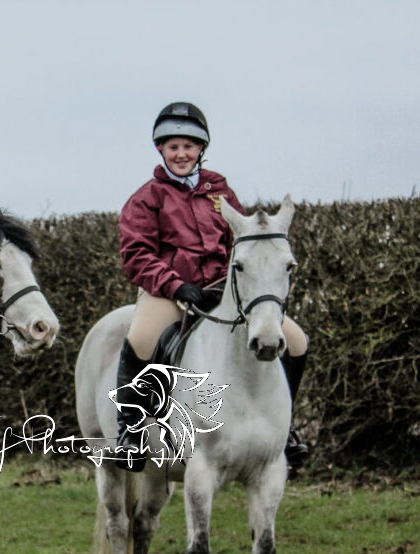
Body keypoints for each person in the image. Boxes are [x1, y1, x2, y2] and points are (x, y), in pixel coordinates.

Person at [114, 102, 310, 472]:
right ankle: (131, 433)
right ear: (161, 149)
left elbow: (241, 240)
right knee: (141, 338)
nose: (181, 154)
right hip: (170, 292)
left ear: (201, 149)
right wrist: (176, 286)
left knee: (296, 341)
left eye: (188, 146)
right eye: (173, 147)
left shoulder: (219, 192)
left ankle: (283, 429)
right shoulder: (147, 197)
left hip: (223, 290)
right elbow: (136, 255)